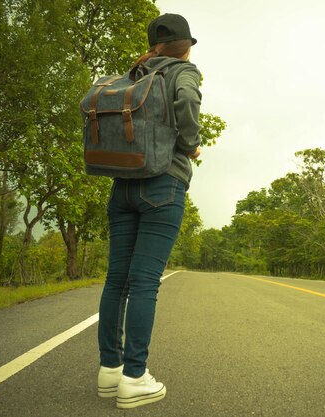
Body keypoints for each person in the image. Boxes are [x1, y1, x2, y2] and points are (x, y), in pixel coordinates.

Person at [95, 13, 202, 409]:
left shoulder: (136, 72)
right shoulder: (182, 72)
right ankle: (134, 377)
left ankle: (109, 370)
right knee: (144, 283)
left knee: (116, 281)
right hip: (163, 184)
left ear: (154, 43)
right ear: (185, 45)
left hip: (123, 185)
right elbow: (188, 101)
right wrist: (190, 144)